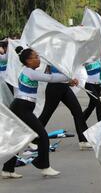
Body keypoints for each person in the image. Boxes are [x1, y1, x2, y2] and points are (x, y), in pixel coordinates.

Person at [2, 46, 78, 178]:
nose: (38, 59)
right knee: (42, 135)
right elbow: (51, 78)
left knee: (19, 139)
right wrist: (68, 76)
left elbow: (50, 78)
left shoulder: (29, 72)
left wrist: (68, 81)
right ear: (28, 61)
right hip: (22, 107)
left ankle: (7, 170)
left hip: (22, 107)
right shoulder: (29, 72)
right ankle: (43, 165)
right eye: (35, 57)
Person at [37, 65, 92, 150]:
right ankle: (33, 139)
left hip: (64, 87)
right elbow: (53, 73)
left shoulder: (65, 55)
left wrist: (70, 80)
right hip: (54, 87)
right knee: (46, 114)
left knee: (77, 111)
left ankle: (83, 140)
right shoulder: (54, 56)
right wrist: (69, 80)